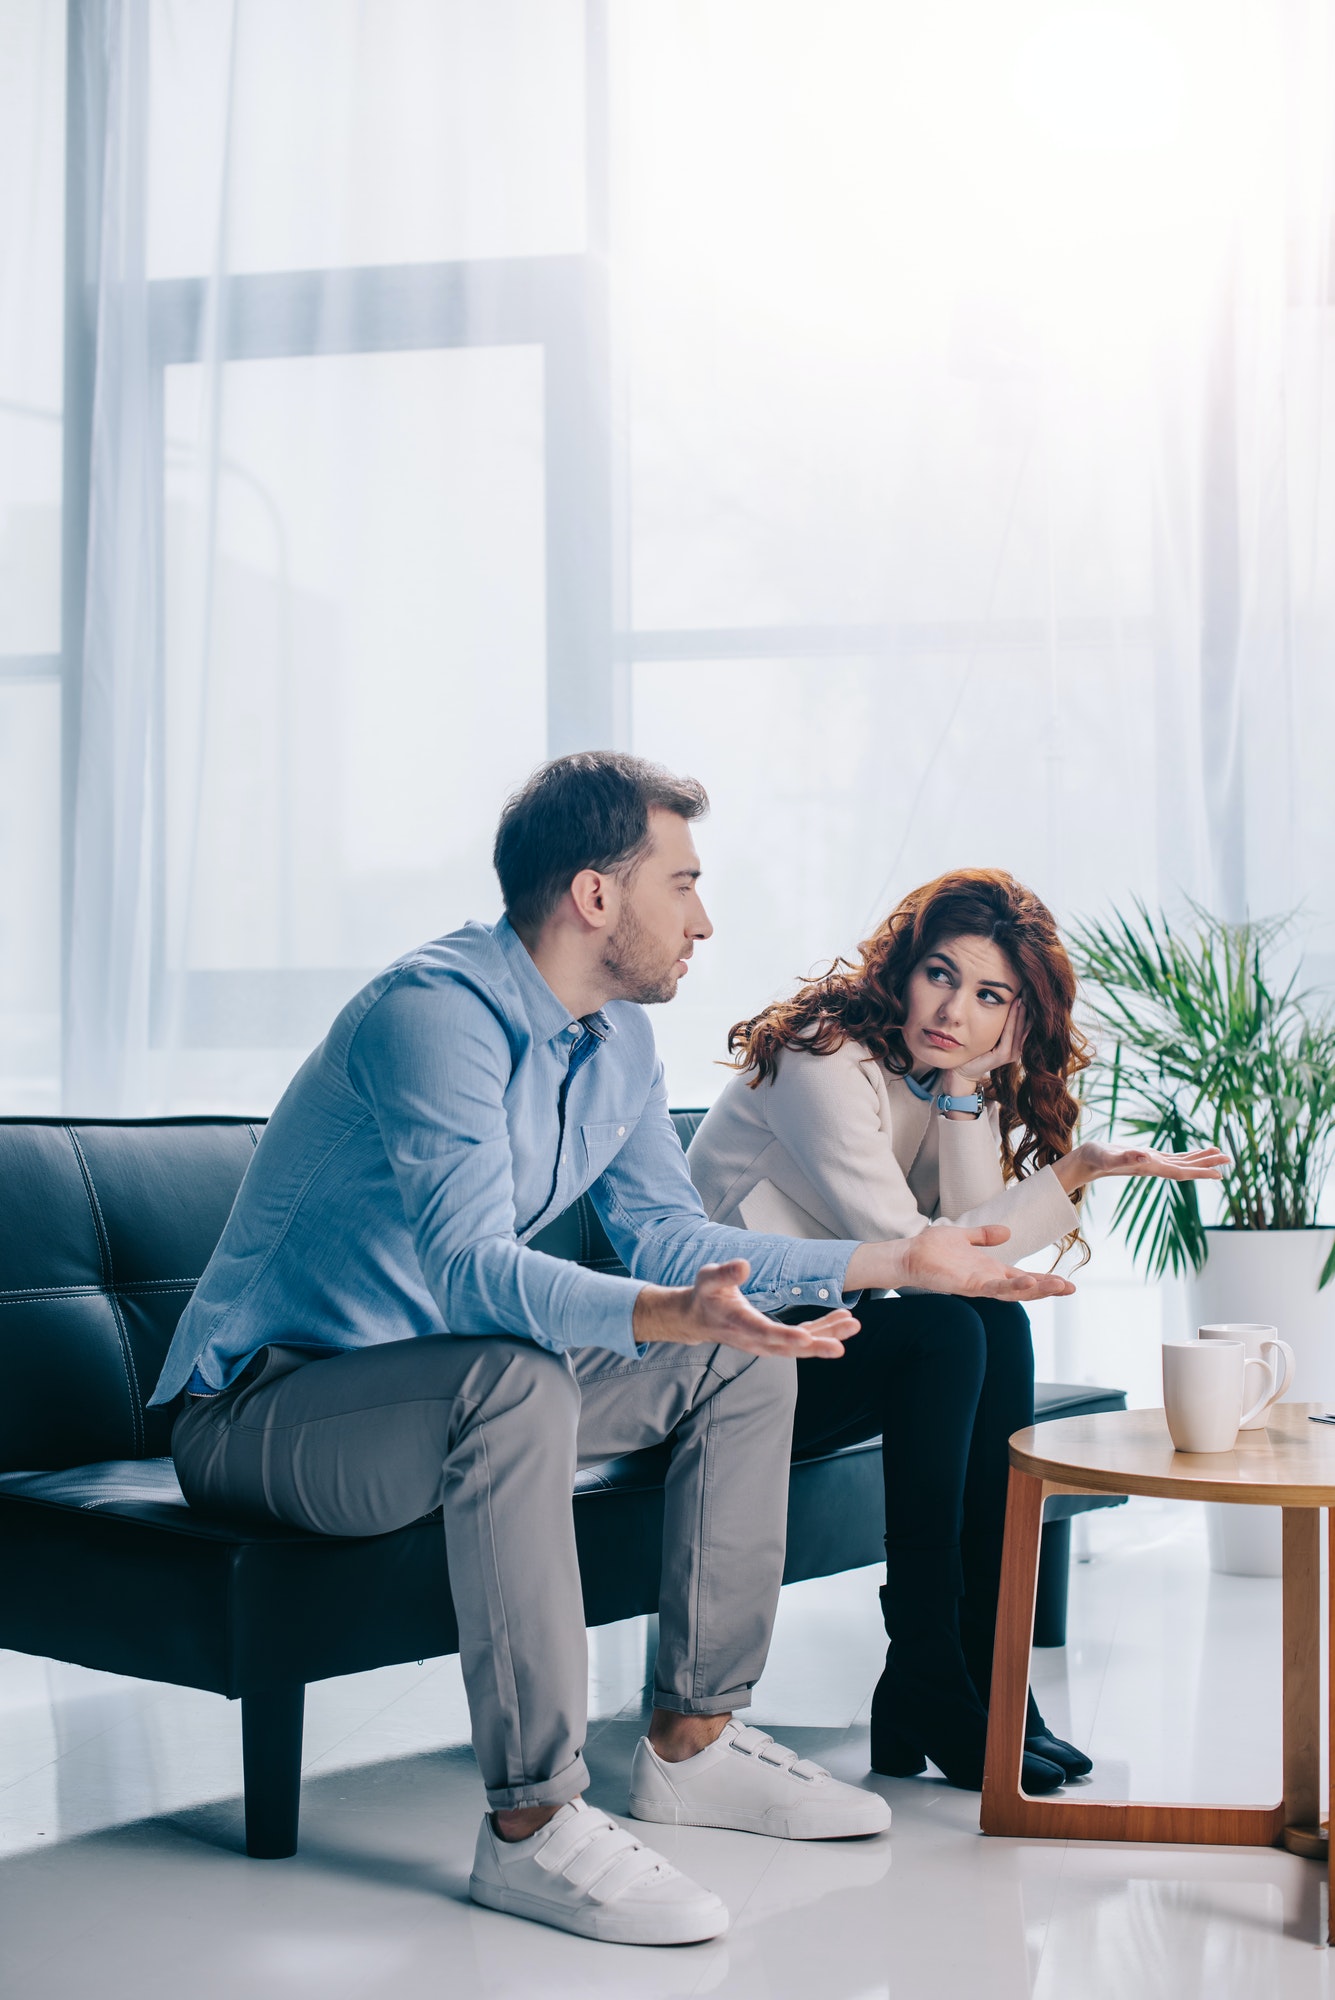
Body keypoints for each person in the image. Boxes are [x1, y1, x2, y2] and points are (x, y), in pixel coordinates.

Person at [148, 766, 1076, 1948]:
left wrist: (893, 1265)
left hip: (444, 1384)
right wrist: (661, 1309)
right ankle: (532, 1819)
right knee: (519, 1371)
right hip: (268, 1409)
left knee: (746, 1349)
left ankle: (695, 1740)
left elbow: (670, 1235)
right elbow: (474, 1271)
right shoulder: (433, 1014)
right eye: (682, 881)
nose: (702, 917)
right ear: (595, 893)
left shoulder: (618, 1041)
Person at [687, 868, 1226, 1796]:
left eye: (988, 998)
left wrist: (1054, 1148)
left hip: (804, 1343)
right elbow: (922, 1252)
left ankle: (980, 1674)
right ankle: (931, 1672)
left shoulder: (931, 1077)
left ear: (1016, 1018)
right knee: (948, 1330)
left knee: (982, 1329)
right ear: (901, 969)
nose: (953, 1012)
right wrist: (1004, 1149)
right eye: (940, 975)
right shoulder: (823, 1060)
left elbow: (970, 1237)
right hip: (714, 1361)